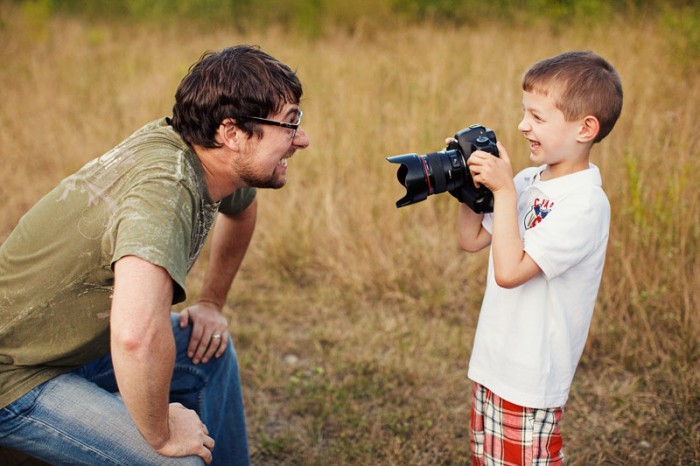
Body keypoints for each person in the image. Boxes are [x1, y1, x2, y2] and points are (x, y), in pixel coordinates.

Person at [0, 45, 310, 465]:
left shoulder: (209, 159)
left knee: (211, 353)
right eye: (290, 124)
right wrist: (161, 434)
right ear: (232, 133)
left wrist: (211, 303)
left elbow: (243, 211)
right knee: (177, 461)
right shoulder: (165, 188)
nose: (302, 139)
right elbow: (135, 335)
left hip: (70, 350)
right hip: (15, 374)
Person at [456, 51, 622, 465]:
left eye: (537, 117)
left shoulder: (584, 203)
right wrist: (468, 186)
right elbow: (471, 239)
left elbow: (510, 272)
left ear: (585, 128)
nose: (522, 125)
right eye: (523, 112)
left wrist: (503, 191)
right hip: (493, 362)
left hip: (530, 377)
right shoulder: (528, 180)